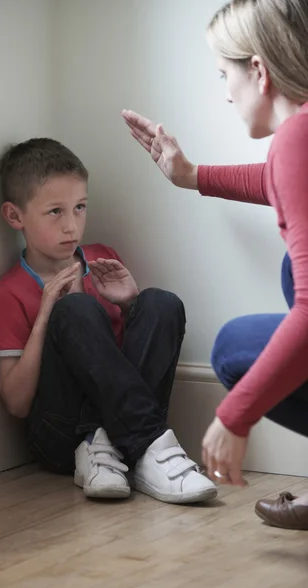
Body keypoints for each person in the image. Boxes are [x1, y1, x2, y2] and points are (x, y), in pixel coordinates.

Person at [122, 0, 308, 529]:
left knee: (233, 349)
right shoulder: (300, 141)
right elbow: (281, 181)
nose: (225, 91)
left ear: (258, 71)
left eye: (225, 74)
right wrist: (191, 175)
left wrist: (234, 415)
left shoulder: (297, 140)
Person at [0, 137, 217, 505]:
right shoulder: (9, 291)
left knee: (161, 303)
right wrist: (47, 314)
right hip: (62, 439)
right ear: (15, 216)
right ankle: (146, 446)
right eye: (55, 212)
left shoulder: (101, 258)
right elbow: (17, 404)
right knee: (75, 310)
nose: (71, 225)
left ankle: (137, 451)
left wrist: (129, 306)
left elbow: (123, 362)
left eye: (79, 207)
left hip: (121, 428)